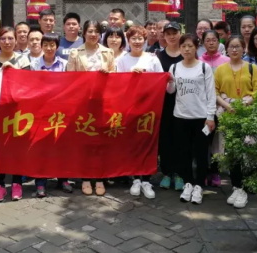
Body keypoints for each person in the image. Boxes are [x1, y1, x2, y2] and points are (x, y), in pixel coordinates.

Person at [0, 26, 32, 203]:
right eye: (3, 39)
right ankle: (0, 184)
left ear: (16, 40)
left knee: (17, 146)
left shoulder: (22, 60)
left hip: (18, 112)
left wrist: (13, 72)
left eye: (10, 38)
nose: (7, 42)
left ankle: (17, 182)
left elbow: (29, 85)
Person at [215, 35, 257, 209]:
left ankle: (246, 187)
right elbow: (214, 92)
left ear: (244, 49)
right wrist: (228, 106)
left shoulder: (252, 68)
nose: (234, 49)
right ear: (226, 49)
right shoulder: (220, 69)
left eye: (238, 46)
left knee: (248, 149)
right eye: (231, 46)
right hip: (228, 113)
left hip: (247, 112)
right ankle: (236, 187)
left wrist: (246, 103)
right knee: (232, 150)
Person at [167, 34, 216, 205]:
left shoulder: (204, 67)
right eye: (183, 46)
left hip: (200, 118)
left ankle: (199, 185)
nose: (187, 49)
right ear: (179, 48)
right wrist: (169, 82)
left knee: (201, 153)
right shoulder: (174, 67)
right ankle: (188, 182)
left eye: (190, 46)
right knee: (184, 152)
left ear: (196, 48)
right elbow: (171, 91)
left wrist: (210, 117)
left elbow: (211, 94)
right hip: (180, 116)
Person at [67, 20, 115, 196]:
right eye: (90, 31)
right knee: (85, 141)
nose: (93, 34)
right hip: (82, 104)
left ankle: (100, 177)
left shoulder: (108, 52)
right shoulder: (75, 53)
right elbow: (69, 79)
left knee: (101, 141)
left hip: (102, 103)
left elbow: (116, 78)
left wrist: (108, 74)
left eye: (96, 31)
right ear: (84, 33)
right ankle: (86, 177)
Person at [117, 26, 163, 199]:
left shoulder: (152, 59)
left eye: (140, 38)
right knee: (133, 143)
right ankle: (135, 178)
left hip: (149, 108)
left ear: (145, 40)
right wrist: (130, 76)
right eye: (133, 38)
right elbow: (117, 84)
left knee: (148, 143)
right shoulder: (122, 60)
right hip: (129, 108)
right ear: (128, 41)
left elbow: (161, 81)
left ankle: (147, 179)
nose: (137, 42)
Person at [31, 33, 73, 195]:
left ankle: (63, 179)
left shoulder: (64, 64)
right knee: (41, 148)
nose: (49, 48)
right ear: (41, 46)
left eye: (52, 45)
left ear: (57, 47)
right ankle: (41, 182)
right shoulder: (34, 65)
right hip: (40, 113)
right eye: (46, 45)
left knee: (61, 147)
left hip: (60, 113)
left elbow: (70, 87)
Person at [198, 30, 230, 188]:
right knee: (204, 140)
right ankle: (203, 171)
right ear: (203, 43)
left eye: (214, 40)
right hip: (202, 108)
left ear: (219, 42)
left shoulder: (226, 61)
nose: (211, 43)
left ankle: (215, 171)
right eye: (207, 40)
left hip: (221, 107)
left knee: (218, 141)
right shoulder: (198, 61)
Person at [155, 21, 184, 191]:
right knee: (165, 138)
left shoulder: (186, 54)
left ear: (180, 34)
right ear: (164, 36)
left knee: (181, 138)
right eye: (168, 34)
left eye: (175, 33)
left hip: (184, 103)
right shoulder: (158, 56)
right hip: (164, 104)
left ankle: (180, 172)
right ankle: (166, 172)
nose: (172, 37)